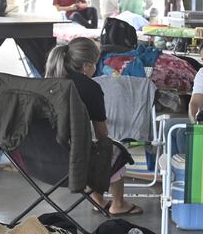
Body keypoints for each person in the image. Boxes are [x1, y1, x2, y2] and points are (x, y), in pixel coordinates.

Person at [45, 37, 143, 215]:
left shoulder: (46, 83)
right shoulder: (89, 87)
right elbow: (101, 134)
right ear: (86, 66)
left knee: (86, 148)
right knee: (114, 150)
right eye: (95, 65)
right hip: (72, 162)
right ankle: (118, 204)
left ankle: (98, 200)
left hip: (38, 158)